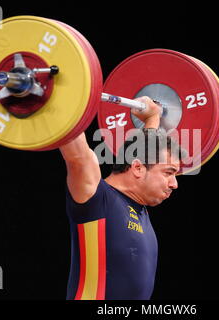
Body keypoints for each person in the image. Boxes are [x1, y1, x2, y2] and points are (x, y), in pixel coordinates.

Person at [59, 97, 182, 300]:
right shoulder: (97, 201)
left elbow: (145, 152)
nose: (174, 184)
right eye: (169, 173)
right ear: (137, 168)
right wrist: (54, 98)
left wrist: (153, 117)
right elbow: (79, 157)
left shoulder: (139, 204)